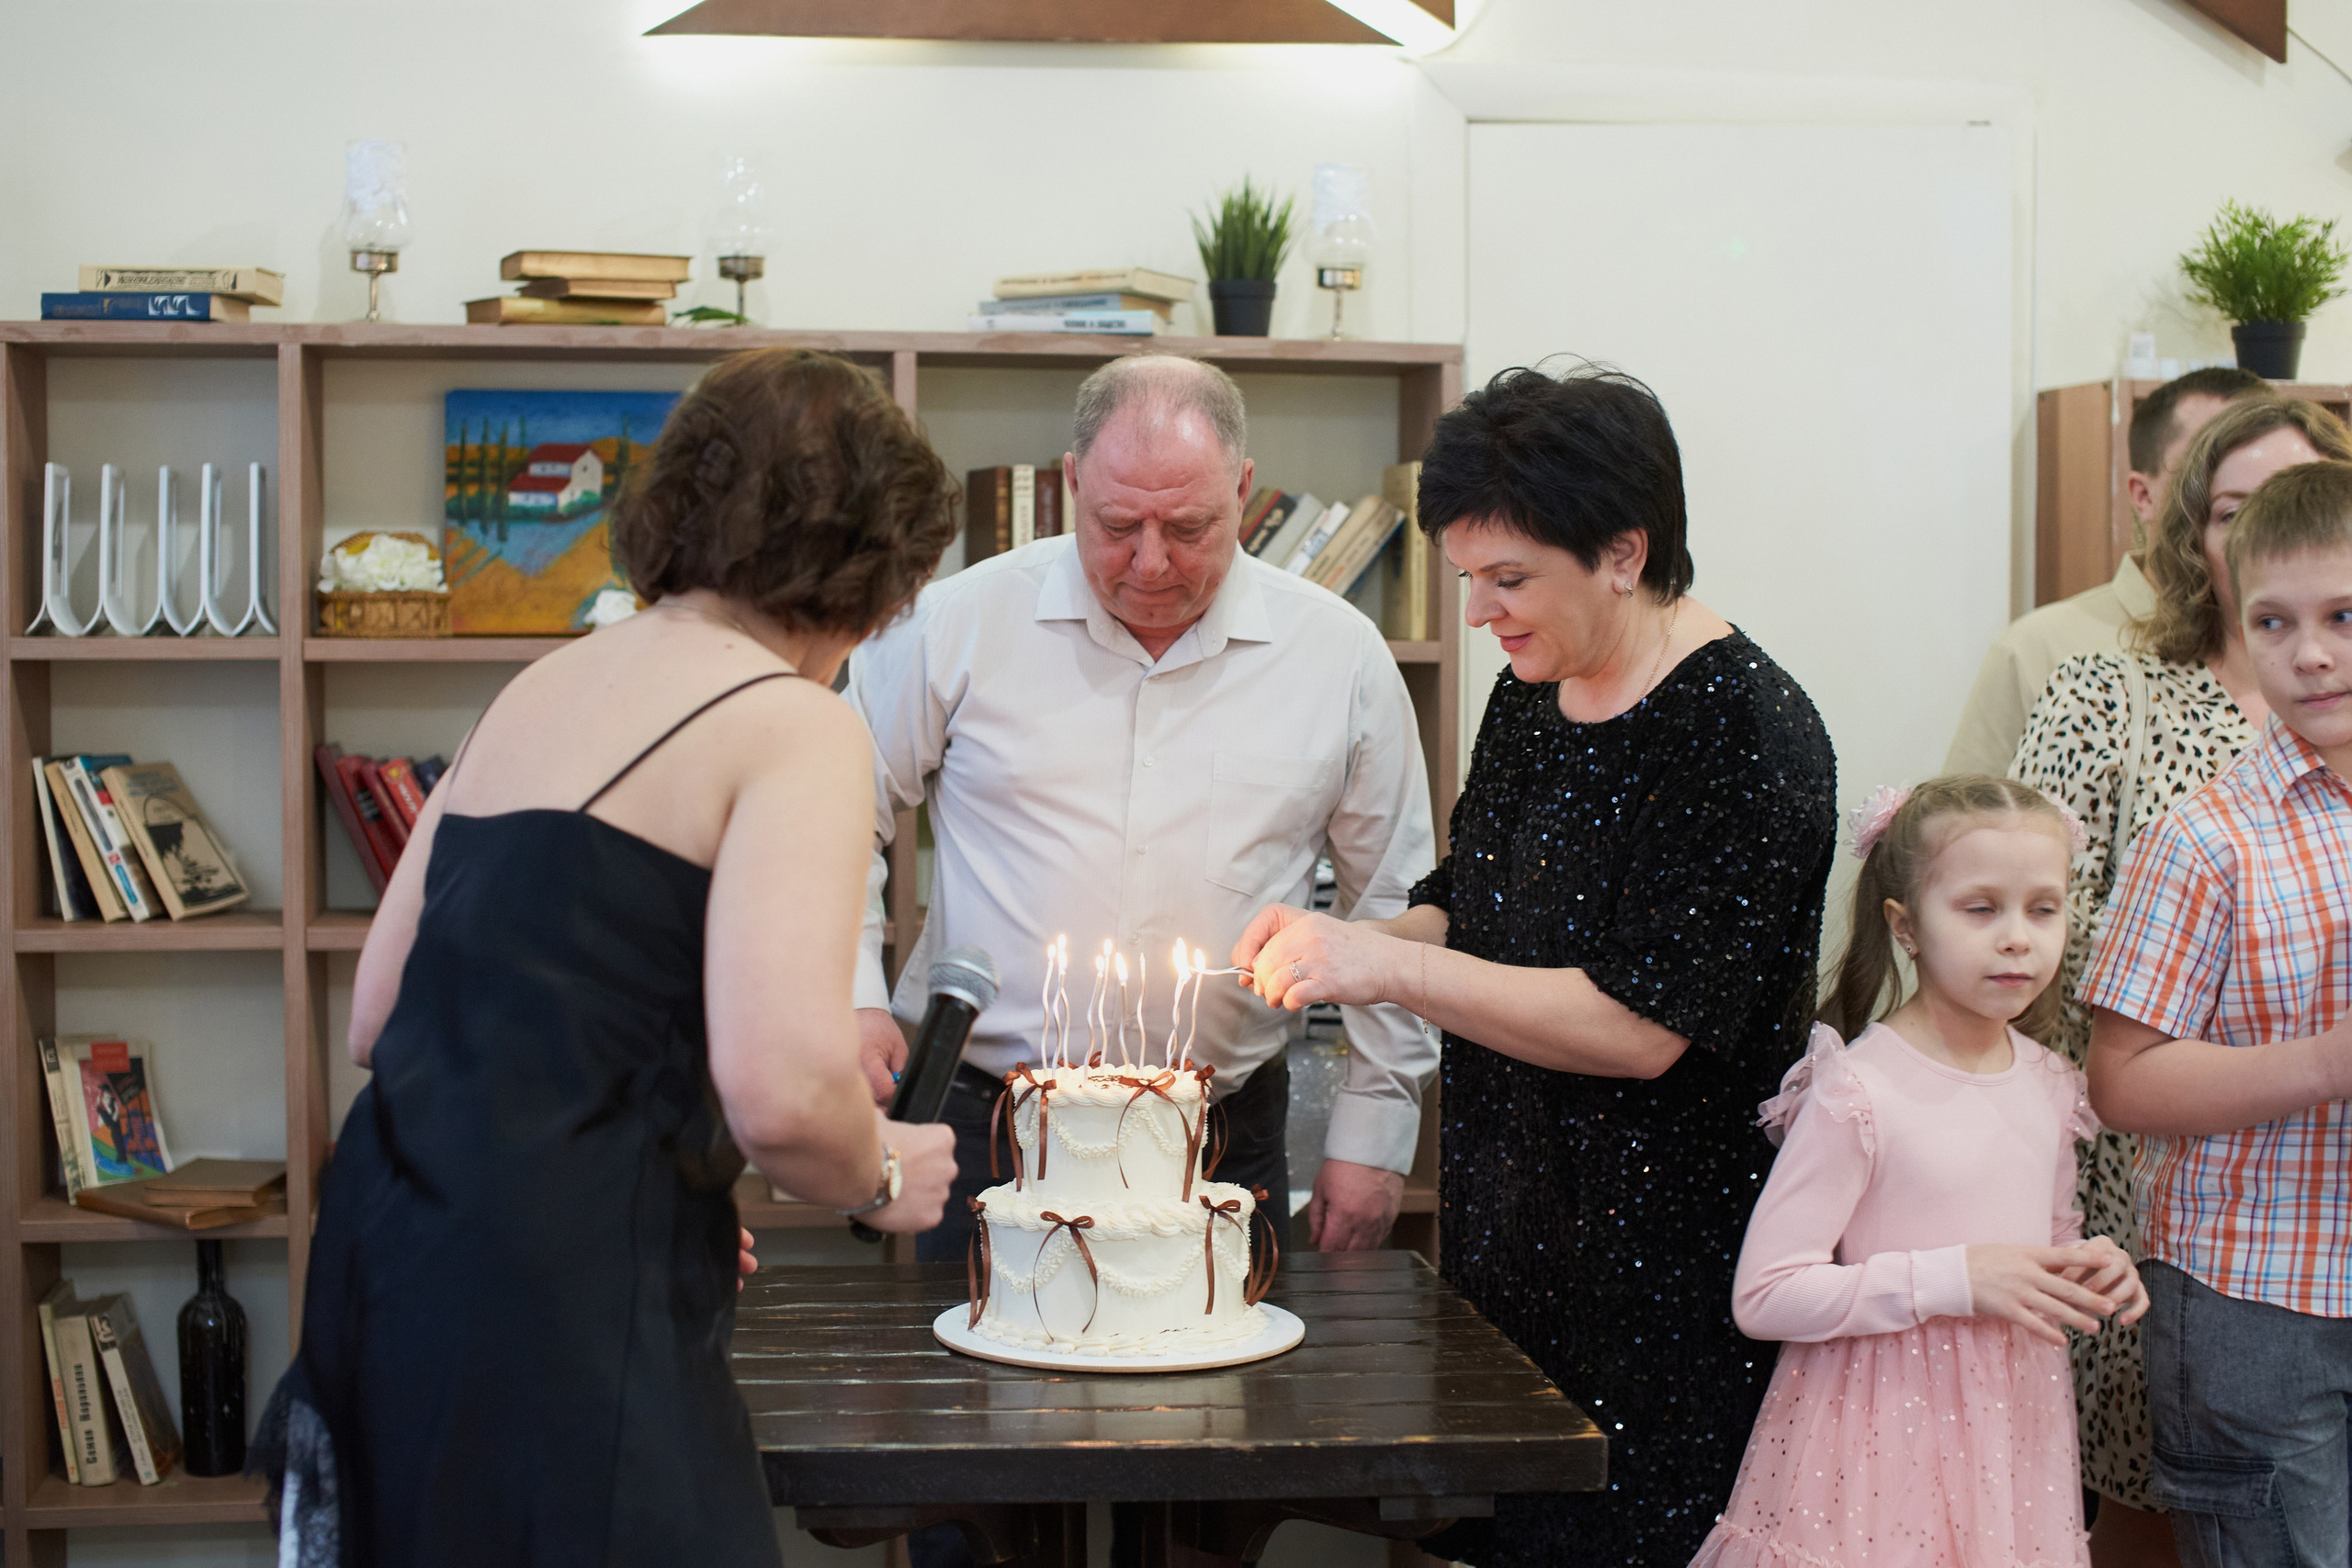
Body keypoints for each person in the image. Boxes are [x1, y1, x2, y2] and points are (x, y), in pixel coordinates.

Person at [251, 348, 963, 1567]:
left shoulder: (537, 686)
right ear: (874, 561)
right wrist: (879, 1170)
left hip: (391, 1255)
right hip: (560, 1304)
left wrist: (653, 1174)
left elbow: (379, 1013)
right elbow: (786, 1095)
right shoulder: (794, 722)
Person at [1232, 364, 1838, 1565]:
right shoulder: (1535, 690)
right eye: (1468, 579)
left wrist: (1381, 969)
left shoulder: (1744, 730)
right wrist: (1340, 945)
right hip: (1515, 1244)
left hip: (1664, 1281)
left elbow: (1639, 1028)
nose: (1480, 613)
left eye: (1508, 580)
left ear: (1623, 552)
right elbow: (1470, 907)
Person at [843, 353, 1436, 1273]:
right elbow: (839, 815)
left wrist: (1376, 1131)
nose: (1152, 562)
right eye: (1117, 525)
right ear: (1072, 484)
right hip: (988, 1123)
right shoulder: (952, 624)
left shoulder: (1340, 655)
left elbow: (1393, 900)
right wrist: (852, 996)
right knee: (970, 1366)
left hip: (1223, 1130)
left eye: (1190, 527)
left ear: (1242, 490)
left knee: (1232, 1368)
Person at [2008, 396, 2352, 1564]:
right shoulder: (2205, 838)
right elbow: (2124, 1081)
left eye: (2343, 617)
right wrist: (2328, 1061)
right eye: (2274, 622)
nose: (2310, 652)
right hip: (2259, 1294)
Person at [1691, 776, 2146, 1568]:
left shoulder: (2051, 1083)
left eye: (2043, 908)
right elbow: (1765, 1294)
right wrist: (1956, 1278)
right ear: (1905, 925)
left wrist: (2087, 1267)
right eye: (1981, 908)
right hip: (1870, 1445)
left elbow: (2043, 1246)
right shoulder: (1859, 1090)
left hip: (2009, 1446)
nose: (2018, 938)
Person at [1947, 367, 2267, 776]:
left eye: (2275, 483)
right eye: (2207, 473)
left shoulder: (2310, 646)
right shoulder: (2041, 650)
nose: (2254, 511)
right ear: (2143, 495)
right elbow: (1965, 812)